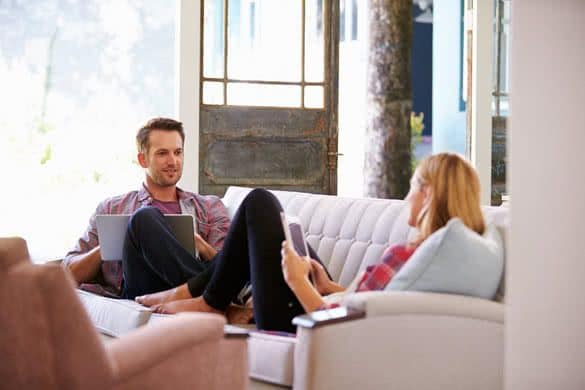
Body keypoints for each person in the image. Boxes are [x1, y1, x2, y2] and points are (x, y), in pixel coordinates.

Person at [136, 152, 486, 333]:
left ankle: (209, 300)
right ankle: (208, 297)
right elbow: (363, 304)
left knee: (259, 204)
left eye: (412, 188)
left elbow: (339, 326)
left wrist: (298, 281)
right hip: (320, 297)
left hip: (301, 318)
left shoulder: (410, 256)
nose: (407, 197)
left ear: (426, 195)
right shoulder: (431, 254)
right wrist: (326, 283)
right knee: (275, 225)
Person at [63, 117, 230, 299]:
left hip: (189, 286)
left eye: (178, 152)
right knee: (144, 217)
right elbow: (68, 273)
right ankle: (214, 300)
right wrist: (109, 246)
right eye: (162, 153)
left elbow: (230, 268)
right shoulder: (112, 208)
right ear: (143, 159)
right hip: (142, 288)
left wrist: (201, 246)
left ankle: (199, 297)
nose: (173, 161)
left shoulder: (209, 206)